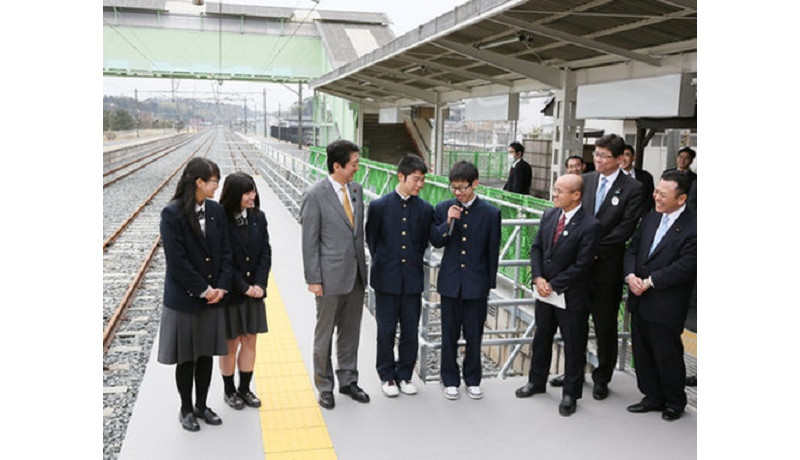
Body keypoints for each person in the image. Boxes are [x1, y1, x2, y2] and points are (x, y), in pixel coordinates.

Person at [551, 134, 643, 399]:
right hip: (578, 268)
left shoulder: (633, 188)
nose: (598, 160)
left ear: (620, 159)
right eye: (597, 154)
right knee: (574, 324)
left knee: (605, 326)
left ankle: (602, 377)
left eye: (604, 156)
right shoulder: (586, 181)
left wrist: (590, 250)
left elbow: (625, 230)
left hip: (606, 268)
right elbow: (571, 215)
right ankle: (574, 374)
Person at [515, 174, 601, 416]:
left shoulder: (590, 226)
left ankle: (570, 395)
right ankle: (536, 381)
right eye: (554, 190)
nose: (554, 195)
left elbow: (583, 265)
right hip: (545, 293)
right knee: (541, 337)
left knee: (574, 345)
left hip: (571, 296)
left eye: (559, 191)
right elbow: (537, 248)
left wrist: (553, 284)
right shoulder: (550, 215)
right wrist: (538, 278)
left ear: (576, 195)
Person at [157, 157, 232, 432]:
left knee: (206, 355)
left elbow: (226, 252)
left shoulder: (216, 211)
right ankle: (186, 408)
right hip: (186, 299)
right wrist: (204, 289)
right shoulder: (172, 213)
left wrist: (221, 286)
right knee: (186, 357)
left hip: (213, 297)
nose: (217, 186)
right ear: (199, 182)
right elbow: (176, 261)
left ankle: (202, 404)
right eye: (214, 181)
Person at [300, 139, 370, 410]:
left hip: (355, 276)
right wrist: (313, 279)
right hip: (328, 278)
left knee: (350, 332)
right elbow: (309, 241)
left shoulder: (356, 190)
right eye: (354, 164)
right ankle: (324, 385)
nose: (357, 168)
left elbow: (357, 233)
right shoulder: (314, 194)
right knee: (325, 334)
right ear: (337, 166)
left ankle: (349, 380)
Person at [624, 171, 697, 421]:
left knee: (667, 354)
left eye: (663, 195)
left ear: (682, 198)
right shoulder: (650, 218)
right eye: (656, 191)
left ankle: (675, 402)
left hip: (666, 302)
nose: (656, 197)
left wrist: (651, 282)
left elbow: (686, 266)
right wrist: (630, 275)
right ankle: (652, 397)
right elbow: (633, 249)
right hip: (639, 296)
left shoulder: (695, 227)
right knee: (642, 352)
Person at [430, 161, 501, 400]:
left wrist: (489, 284)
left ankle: (473, 379)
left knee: (474, 334)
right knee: (448, 333)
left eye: (463, 188)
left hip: (476, 284)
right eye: (454, 188)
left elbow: (492, 252)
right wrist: (448, 222)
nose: (459, 193)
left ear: (475, 184)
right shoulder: (442, 208)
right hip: (450, 283)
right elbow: (437, 241)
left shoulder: (491, 213)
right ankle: (449, 379)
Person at [365, 154, 434, 397]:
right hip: (386, 280)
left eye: (422, 180)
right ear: (401, 176)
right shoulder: (379, 206)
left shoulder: (426, 209)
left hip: (412, 281)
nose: (420, 184)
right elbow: (372, 241)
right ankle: (386, 376)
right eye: (416, 179)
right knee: (385, 331)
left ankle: (404, 374)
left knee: (409, 330)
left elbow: (430, 240)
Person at [218, 172, 272, 410]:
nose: (253, 196)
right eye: (247, 192)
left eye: (253, 191)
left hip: (255, 291)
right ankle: (229, 391)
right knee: (231, 343)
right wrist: (245, 288)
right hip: (232, 292)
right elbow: (223, 260)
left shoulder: (259, 217)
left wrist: (260, 285)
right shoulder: (221, 220)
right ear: (234, 195)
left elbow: (265, 254)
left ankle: (245, 389)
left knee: (250, 340)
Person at [620, 144, 655, 212]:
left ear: (633, 157)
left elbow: (650, 198)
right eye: (621, 156)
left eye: (627, 155)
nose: (623, 159)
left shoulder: (646, 177)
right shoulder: (613, 177)